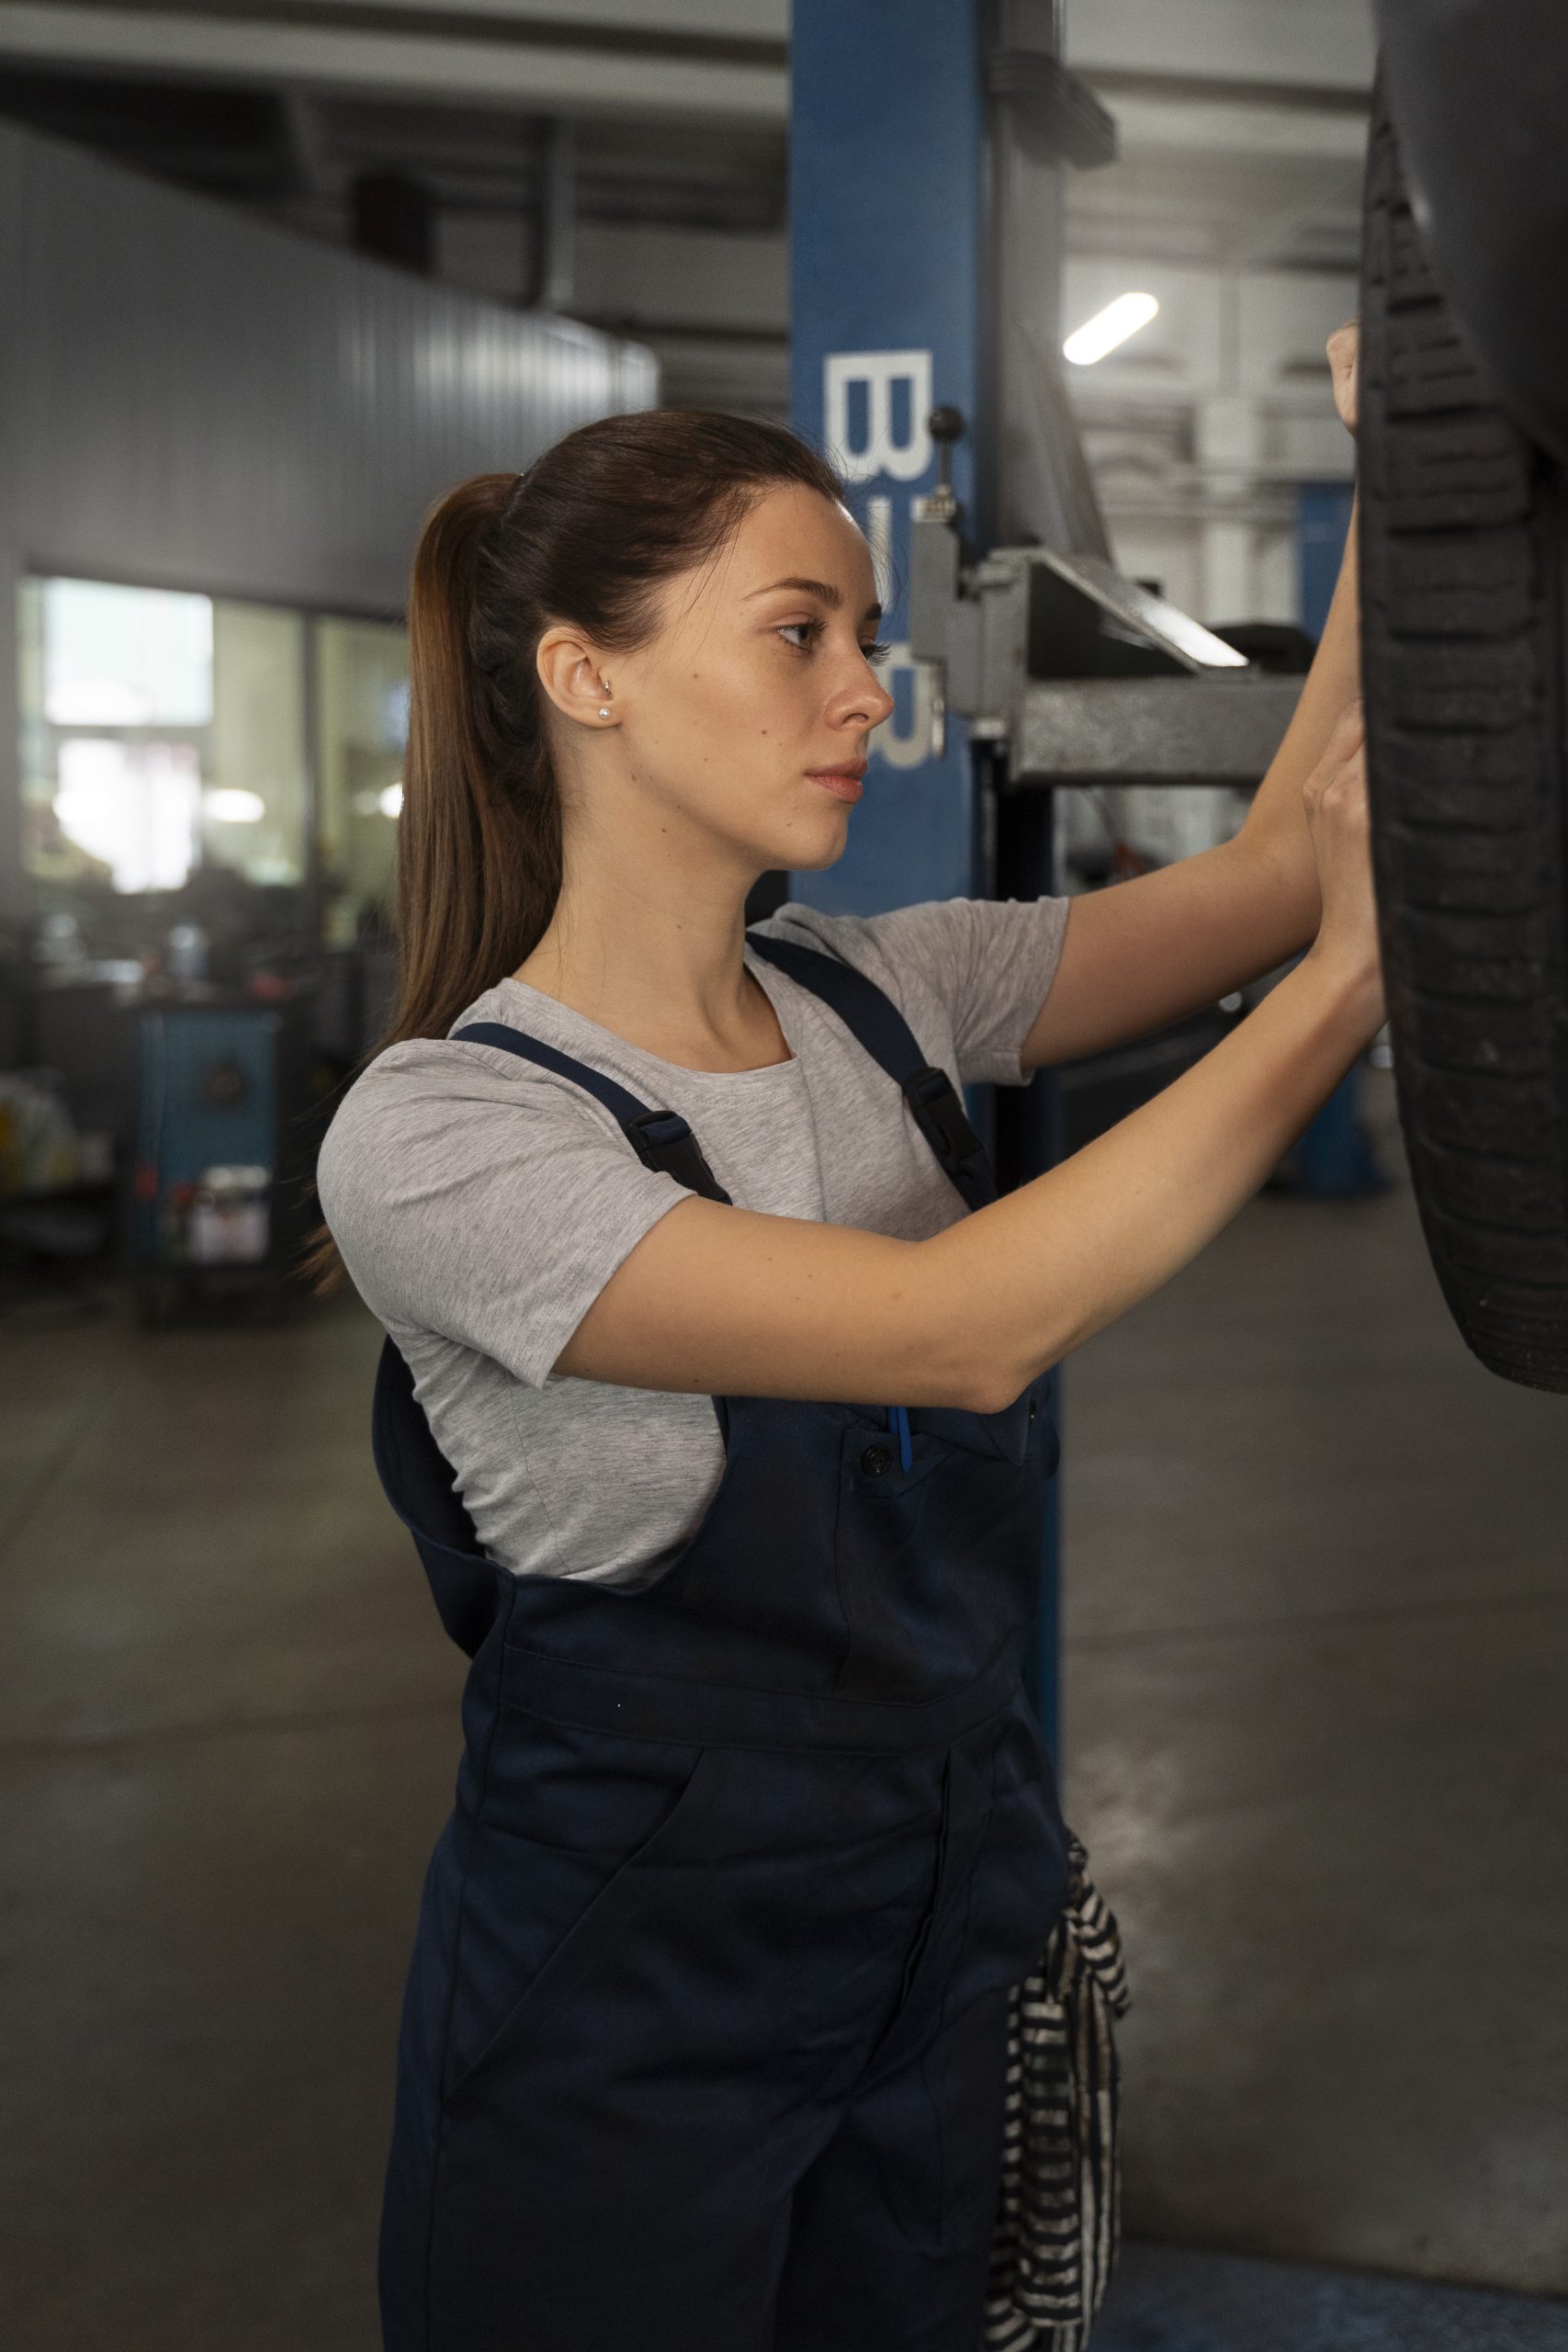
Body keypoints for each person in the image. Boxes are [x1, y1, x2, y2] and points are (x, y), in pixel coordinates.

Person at [318, 340, 1377, 2352]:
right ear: (582, 673)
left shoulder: (884, 990)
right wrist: (1333, 1005)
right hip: (626, 2024)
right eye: (797, 631)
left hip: (934, 1935)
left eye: (864, 635)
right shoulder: (446, 1133)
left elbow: (1270, 872)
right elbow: (955, 1331)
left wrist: (1395, 455)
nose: (865, 689)